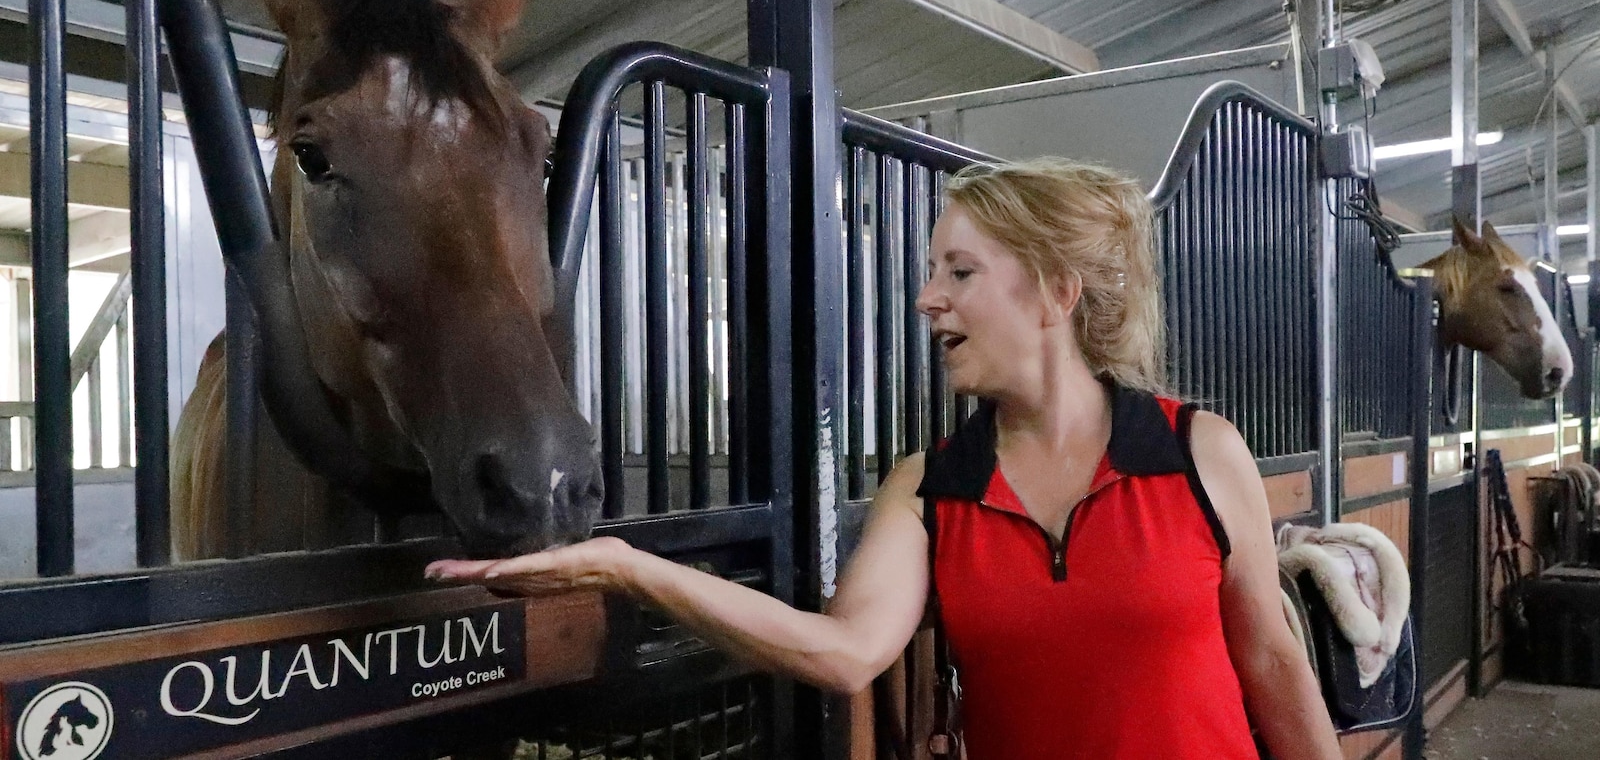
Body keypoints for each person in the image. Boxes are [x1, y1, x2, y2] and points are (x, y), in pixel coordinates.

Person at [426, 158, 1343, 759]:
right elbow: (843, 652)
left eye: (959, 272)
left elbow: (1271, 663)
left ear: (1054, 293)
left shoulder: (1197, 452)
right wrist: (625, 568)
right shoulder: (933, 486)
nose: (926, 299)